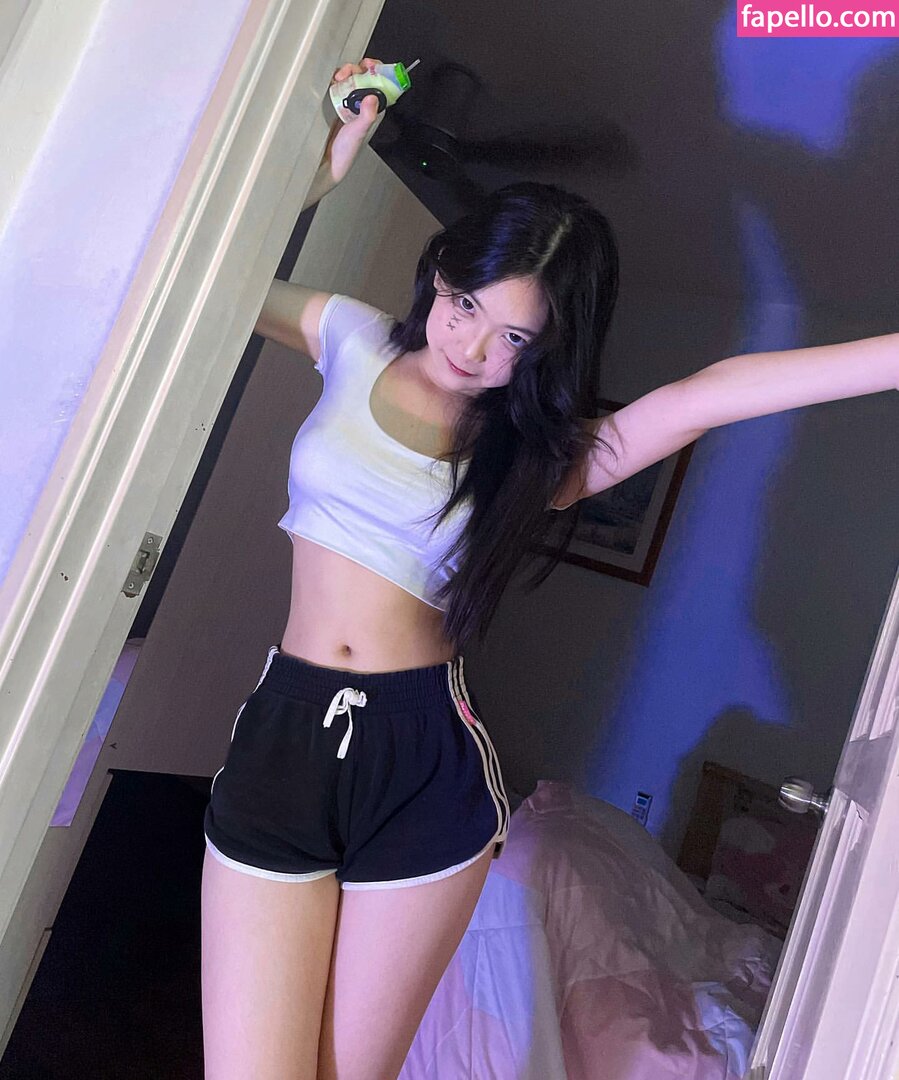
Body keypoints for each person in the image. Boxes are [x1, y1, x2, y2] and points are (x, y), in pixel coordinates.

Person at [199, 57, 898, 1080]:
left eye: (513, 338)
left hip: (422, 758)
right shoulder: (347, 338)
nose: (472, 347)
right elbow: (207, 272)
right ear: (440, 273)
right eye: (464, 304)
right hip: (287, 727)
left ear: (545, 351)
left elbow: (709, 394)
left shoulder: (538, 460)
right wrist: (328, 165)